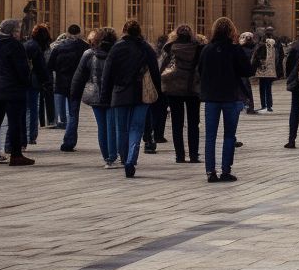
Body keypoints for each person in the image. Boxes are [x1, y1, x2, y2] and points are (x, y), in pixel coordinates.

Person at [100, 20, 162, 178]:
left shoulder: (116, 48)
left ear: (124, 31)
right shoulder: (146, 48)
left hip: (120, 93)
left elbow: (107, 75)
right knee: (136, 129)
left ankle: (123, 156)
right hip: (142, 94)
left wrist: (104, 96)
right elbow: (155, 73)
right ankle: (130, 160)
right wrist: (159, 95)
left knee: (122, 129)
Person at [198, 17, 254, 182]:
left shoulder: (207, 49)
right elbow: (247, 70)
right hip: (230, 96)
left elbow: (200, 71)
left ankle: (210, 172)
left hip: (211, 97)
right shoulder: (235, 49)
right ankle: (225, 170)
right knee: (229, 135)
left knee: (210, 136)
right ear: (231, 31)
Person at [0, 19, 32, 166]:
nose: (19, 34)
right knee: (15, 122)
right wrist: (26, 83)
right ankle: (16, 155)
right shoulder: (14, 45)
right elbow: (22, 69)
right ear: (11, 32)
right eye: (17, 31)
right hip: (12, 89)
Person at [71, 27, 117, 167]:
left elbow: (79, 77)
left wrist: (74, 94)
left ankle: (107, 157)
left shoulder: (88, 54)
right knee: (112, 126)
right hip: (113, 95)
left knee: (102, 127)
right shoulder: (116, 53)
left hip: (95, 95)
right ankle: (113, 155)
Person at [159, 25, 203, 163]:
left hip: (174, 89)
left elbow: (161, 67)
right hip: (192, 89)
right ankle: (194, 155)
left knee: (177, 123)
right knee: (193, 123)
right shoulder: (198, 47)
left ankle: (180, 155)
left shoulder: (170, 47)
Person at [50, 25, 87, 151]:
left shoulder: (58, 47)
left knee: (66, 111)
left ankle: (67, 136)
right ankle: (69, 142)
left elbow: (50, 65)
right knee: (73, 113)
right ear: (80, 33)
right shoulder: (84, 47)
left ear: (67, 33)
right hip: (77, 84)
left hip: (61, 83)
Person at [23, 24, 52, 146]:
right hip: (34, 81)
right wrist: (46, 81)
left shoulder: (26, 44)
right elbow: (41, 67)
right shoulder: (37, 47)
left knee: (26, 109)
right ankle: (31, 135)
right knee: (32, 109)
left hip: (24, 80)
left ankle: (26, 134)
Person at [252, 32, 279, 112]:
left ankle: (264, 105)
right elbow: (277, 59)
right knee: (268, 88)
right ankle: (269, 106)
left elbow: (257, 57)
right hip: (271, 71)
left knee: (262, 88)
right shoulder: (274, 47)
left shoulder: (261, 46)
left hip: (262, 70)